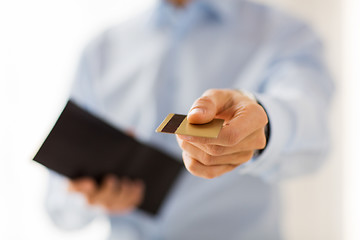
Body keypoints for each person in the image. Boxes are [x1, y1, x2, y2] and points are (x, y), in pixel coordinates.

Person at [45, 0, 334, 239]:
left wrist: (265, 125)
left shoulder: (285, 34)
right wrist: (89, 198)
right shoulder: (100, 51)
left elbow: (312, 129)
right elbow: (57, 207)